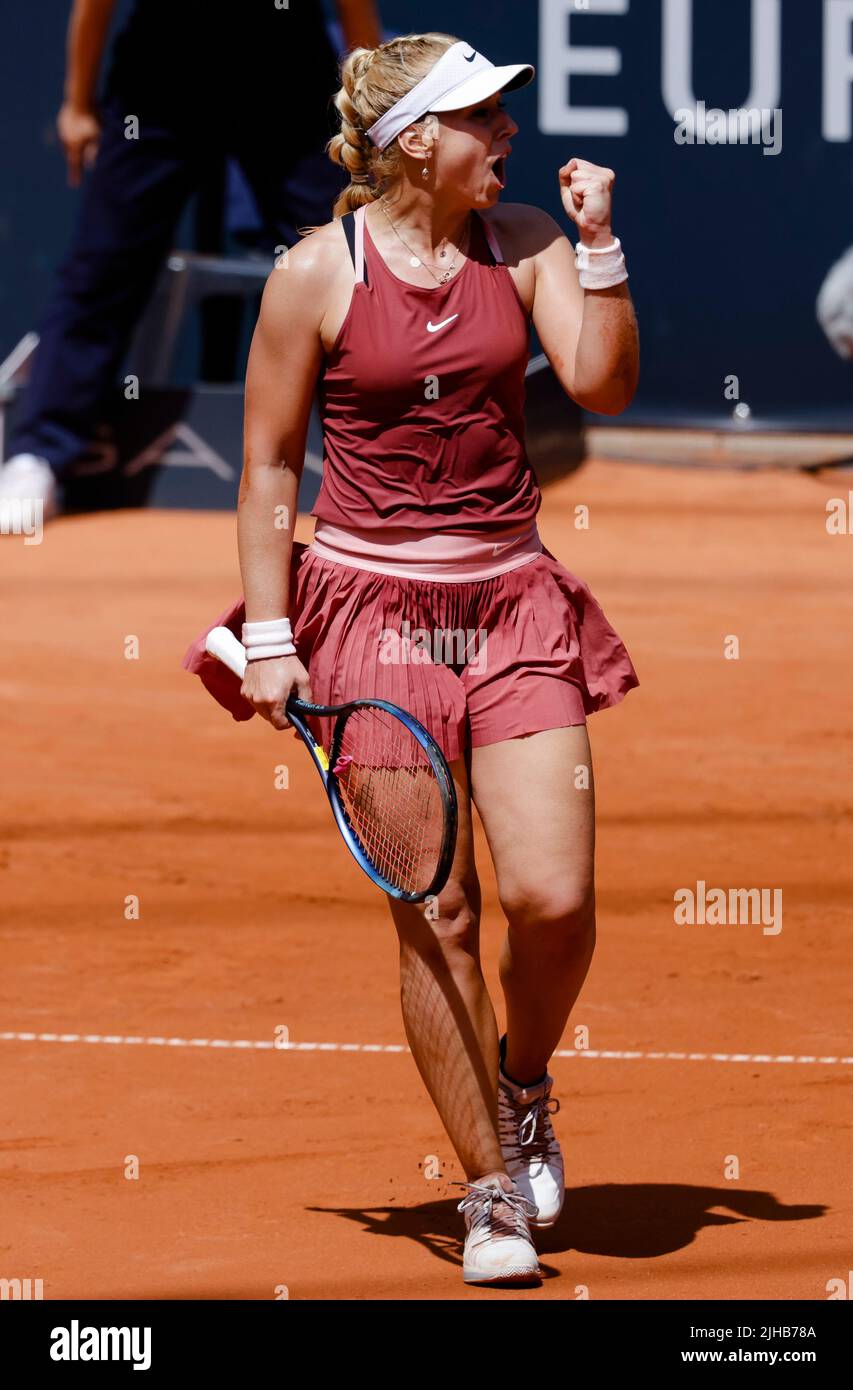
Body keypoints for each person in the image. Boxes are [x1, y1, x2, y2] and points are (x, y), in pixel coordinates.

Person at [184, 32, 640, 1288]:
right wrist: (270, 636)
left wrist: (600, 248)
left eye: (503, 118)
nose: (505, 138)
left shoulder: (533, 239)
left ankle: (523, 1084)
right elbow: (270, 463)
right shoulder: (311, 274)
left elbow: (600, 382)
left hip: (510, 606)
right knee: (435, 910)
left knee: (552, 903)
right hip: (372, 621)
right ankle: (487, 1188)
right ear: (412, 142)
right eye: (482, 120)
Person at [0, 0, 382, 525]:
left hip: (283, 67)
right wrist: (78, 103)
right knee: (104, 267)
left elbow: (352, 4)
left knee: (344, 257)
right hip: (161, 76)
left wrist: (371, 108)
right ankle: (38, 458)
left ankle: (390, 455)